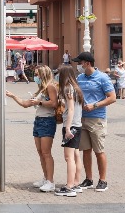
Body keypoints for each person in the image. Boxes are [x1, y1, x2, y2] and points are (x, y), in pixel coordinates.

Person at [6, 65, 58, 192]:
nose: (35, 77)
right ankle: (46, 178)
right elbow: (25, 104)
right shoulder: (41, 90)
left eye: (37, 74)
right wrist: (13, 96)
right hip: (39, 120)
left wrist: (39, 102)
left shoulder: (50, 87)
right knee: (40, 152)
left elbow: (54, 103)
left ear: (43, 74)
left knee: (46, 152)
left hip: (47, 121)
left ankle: (50, 181)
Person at [74, 52, 116, 192]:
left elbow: (112, 97)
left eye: (80, 63)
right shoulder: (80, 77)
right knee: (86, 150)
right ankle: (88, 179)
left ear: (87, 63)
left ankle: (103, 180)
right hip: (82, 117)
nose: (78, 65)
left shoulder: (102, 77)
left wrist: (95, 105)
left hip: (97, 118)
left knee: (99, 151)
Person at [54, 66, 84, 197]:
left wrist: (67, 127)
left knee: (69, 157)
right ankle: (76, 183)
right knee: (76, 155)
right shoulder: (76, 88)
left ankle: (69, 186)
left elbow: (71, 109)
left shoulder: (68, 88)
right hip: (77, 125)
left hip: (72, 126)